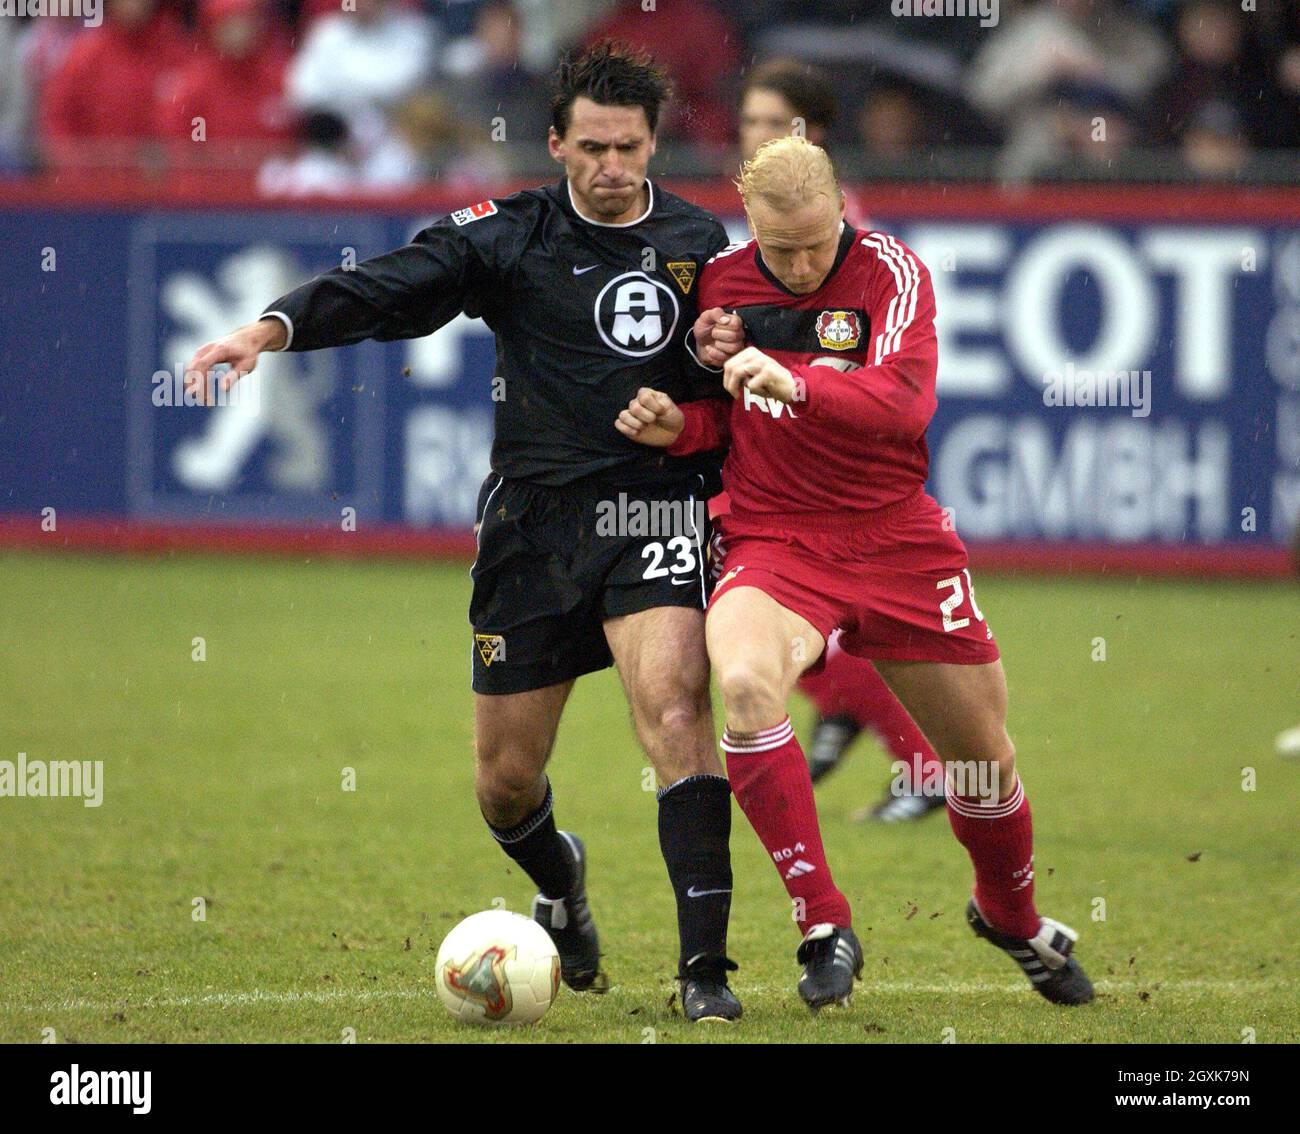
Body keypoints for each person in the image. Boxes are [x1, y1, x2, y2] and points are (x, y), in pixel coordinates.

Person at [184, 42, 749, 1023]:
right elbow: (391, 285)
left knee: (673, 716)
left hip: (653, 514)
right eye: (591, 148)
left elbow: (736, 388)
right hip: (531, 527)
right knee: (503, 783)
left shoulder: (704, 246)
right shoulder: (512, 232)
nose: (612, 169)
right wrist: (268, 330)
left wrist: (703, 399)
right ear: (555, 143)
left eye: (629, 148)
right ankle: (561, 883)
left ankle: (705, 975)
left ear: (656, 142)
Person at [616, 136, 1095, 1011]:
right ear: (749, 225)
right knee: (750, 684)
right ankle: (823, 923)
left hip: (897, 542)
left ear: (842, 209)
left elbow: (905, 404)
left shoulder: (893, 273)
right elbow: (724, 424)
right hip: (774, 540)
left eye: (815, 242)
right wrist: (679, 427)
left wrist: (791, 380)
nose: (800, 266)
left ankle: (1010, 914)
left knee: (983, 768)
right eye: (779, 249)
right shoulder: (720, 283)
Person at [736, 57, 944, 820]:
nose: (751, 137)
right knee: (780, 616)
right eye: (748, 123)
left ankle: (919, 759)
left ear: (808, 134)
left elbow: (864, 357)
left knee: (795, 614)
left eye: (770, 124)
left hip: (824, 457)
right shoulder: (762, 221)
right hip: (770, 449)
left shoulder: (826, 229)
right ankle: (851, 714)